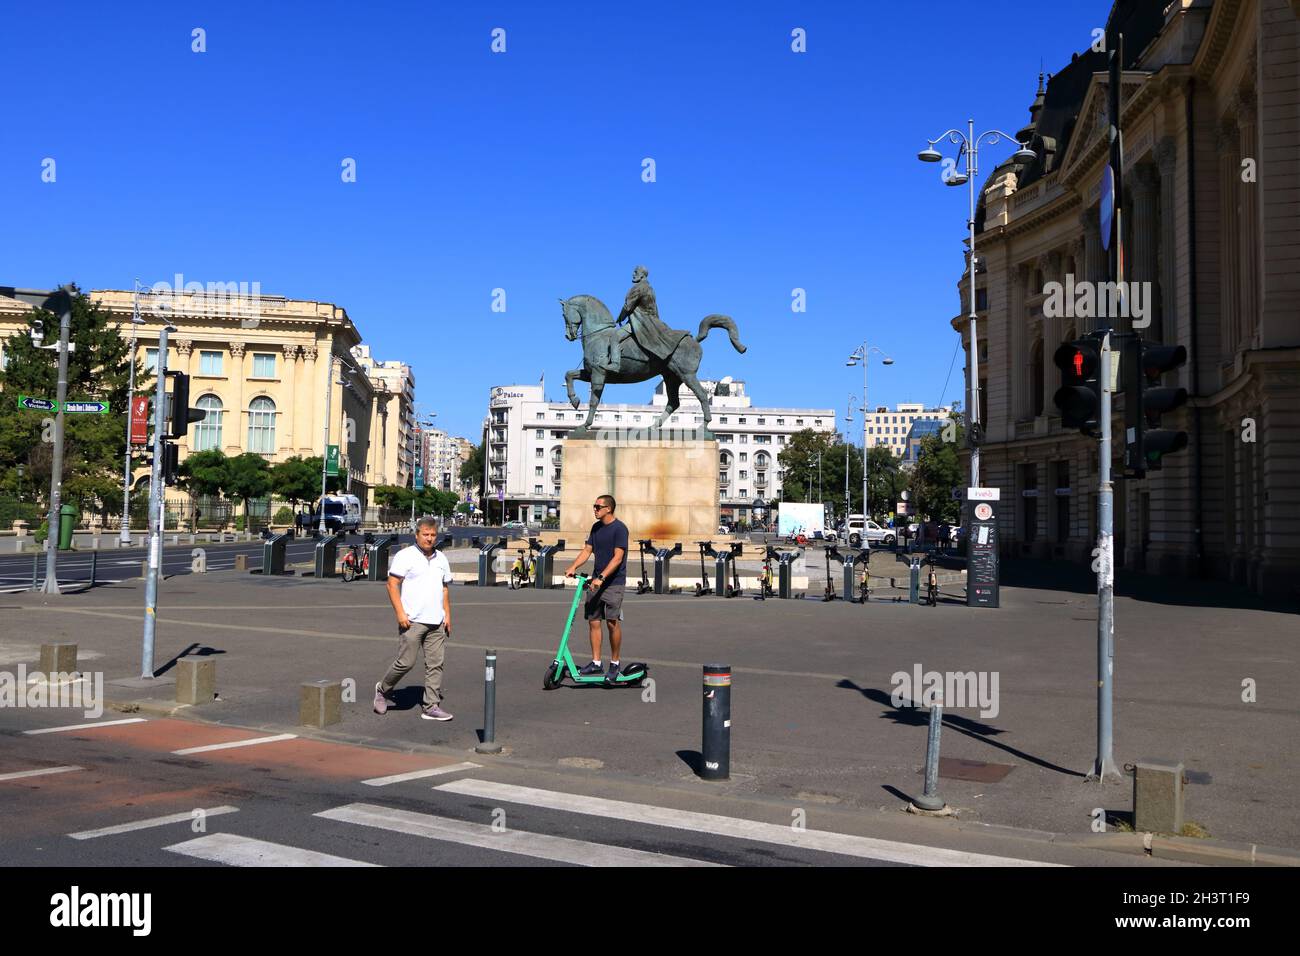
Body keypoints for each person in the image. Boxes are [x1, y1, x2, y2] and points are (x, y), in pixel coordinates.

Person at [373, 516, 454, 720]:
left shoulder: (441, 559)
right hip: (412, 620)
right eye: (425, 534)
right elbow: (392, 584)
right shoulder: (405, 556)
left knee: (436, 664)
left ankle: (431, 706)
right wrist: (400, 613)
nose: (429, 538)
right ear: (417, 535)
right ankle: (383, 690)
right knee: (405, 663)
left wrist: (447, 615)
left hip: (436, 621)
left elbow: (444, 589)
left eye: (433, 535)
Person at [563, 493, 629, 685]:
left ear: (608, 508)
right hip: (595, 582)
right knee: (593, 621)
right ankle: (596, 662)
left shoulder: (620, 529)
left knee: (612, 622)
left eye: (597, 507)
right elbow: (587, 550)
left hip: (613, 582)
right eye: (594, 506)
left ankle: (615, 663)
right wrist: (573, 566)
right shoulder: (596, 528)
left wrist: (602, 577)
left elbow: (618, 558)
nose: (594, 509)